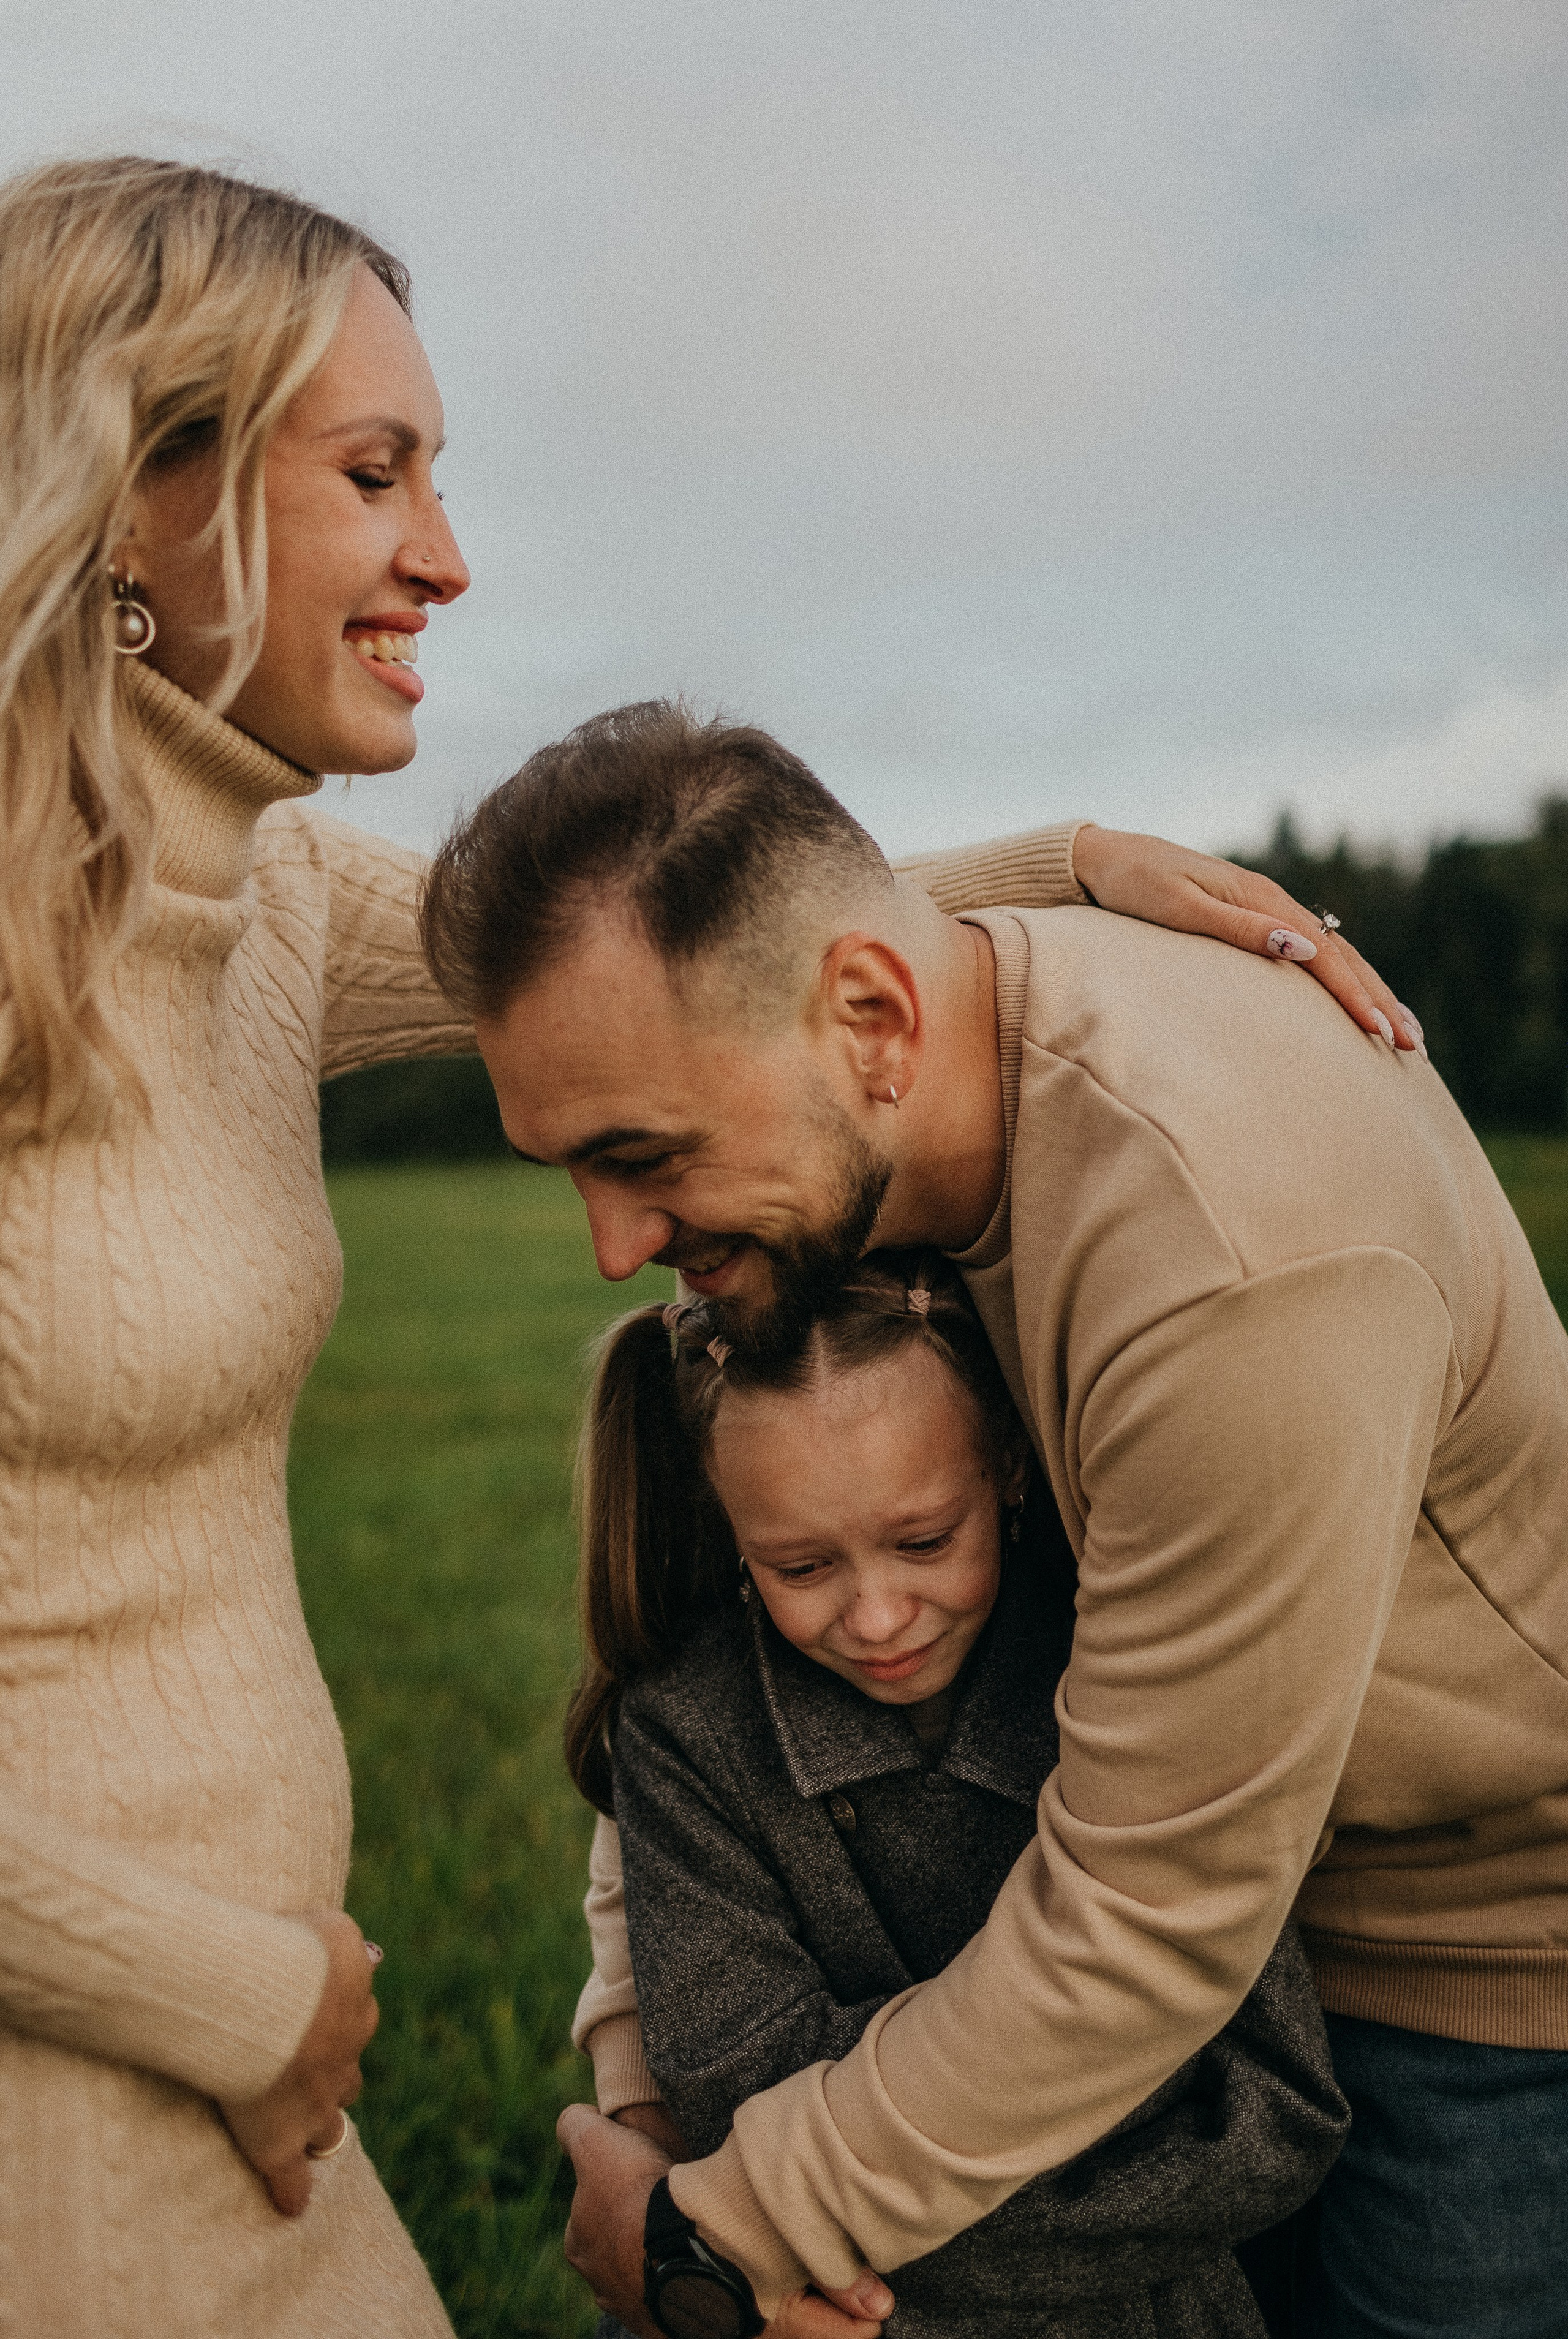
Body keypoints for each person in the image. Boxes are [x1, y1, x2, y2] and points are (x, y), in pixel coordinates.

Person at [0, 155, 1376, 2337]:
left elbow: (700, 951)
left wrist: (1083, 859)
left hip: (257, 2064)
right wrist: (204, 1981)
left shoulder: (256, 903)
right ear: (127, 483)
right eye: (377, 473)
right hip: (95, 2066)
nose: (445, 555)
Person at [419, 699, 1568, 2339]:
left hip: (1482, 1985)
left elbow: (1142, 1930)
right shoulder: (898, 1088)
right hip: (1257, 1939)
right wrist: (1065, 853)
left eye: (643, 1154)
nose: (613, 1247)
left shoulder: (1229, 1258)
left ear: (873, 1016)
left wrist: (714, 2233)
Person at [571, 1252, 1349, 2338]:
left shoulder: (1129, 1671)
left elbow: (1266, 2117)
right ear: (730, 1531)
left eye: (925, 1541)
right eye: (802, 1567)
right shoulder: (687, 1728)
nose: (881, 1616)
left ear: (1011, 1469)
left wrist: (777, 2234)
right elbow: (725, 2086)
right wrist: (1109, 2104)